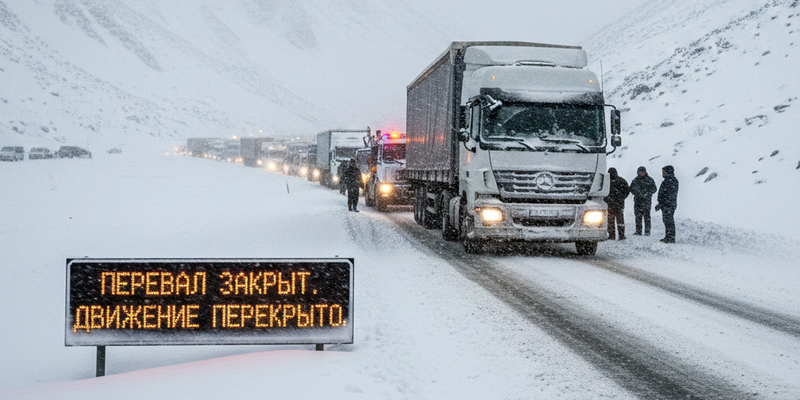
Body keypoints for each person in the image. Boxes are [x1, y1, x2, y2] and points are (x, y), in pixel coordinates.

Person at [629, 166, 657, 236]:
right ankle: (638, 231)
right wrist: (637, 193)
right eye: (639, 172)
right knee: (638, 216)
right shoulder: (635, 180)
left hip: (646, 201)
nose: (641, 173)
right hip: (638, 201)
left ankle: (647, 231)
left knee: (647, 216)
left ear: (645, 172)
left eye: (642, 172)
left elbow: (654, 189)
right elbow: (631, 189)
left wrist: (647, 193)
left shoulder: (649, 180)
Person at [655, 165, 679, 243]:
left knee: (669, 221)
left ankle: (670, 237)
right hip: (666, 204)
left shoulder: (671, 181)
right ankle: (668, 236)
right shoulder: (668, 181)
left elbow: (668, 194)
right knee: (666, 220)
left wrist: (662, 203)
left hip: (668, 204)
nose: (662, 173)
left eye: (664, 172)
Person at [604, 167, 629, 240]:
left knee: (610, 221)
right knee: (620, 221)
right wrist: (621, 197)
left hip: (610, 204)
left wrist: (606, 199)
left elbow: (603, 192)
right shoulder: (621, 180)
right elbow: (627, 191)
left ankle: (612, 235)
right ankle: (621, 235)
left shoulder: (606, 182)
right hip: (619, 204)